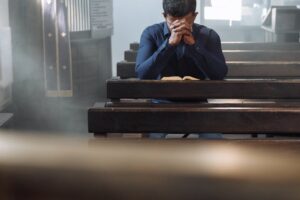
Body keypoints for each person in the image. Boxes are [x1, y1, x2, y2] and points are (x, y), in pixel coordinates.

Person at [135, 0, 228, 139]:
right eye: (172, 20)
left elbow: (220, 73)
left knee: (214, 140)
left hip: (198, 102)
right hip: (160, 102)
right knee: (151, 146)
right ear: (164, 15)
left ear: (194, 16)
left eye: (184, 20)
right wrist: (169, 45)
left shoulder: (208, 35)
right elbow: (142, 74)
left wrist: (194, 46)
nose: (178, 25)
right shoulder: (151, 33)